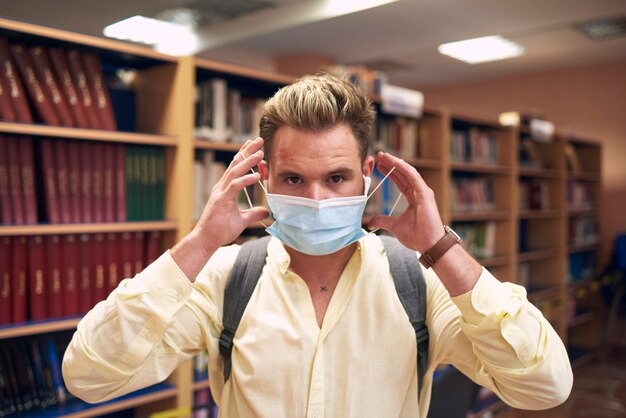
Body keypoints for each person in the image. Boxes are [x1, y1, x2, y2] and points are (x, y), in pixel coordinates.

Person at [62, 73, 573, 417]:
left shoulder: (417, 280)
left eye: (336, 177)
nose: (317, 198)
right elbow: (88, 376)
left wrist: (441, 248)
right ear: (262, 178)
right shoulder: (224, 277)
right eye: (292, 178)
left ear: (368, 175)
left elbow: (544, 386)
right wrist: (199, 244)